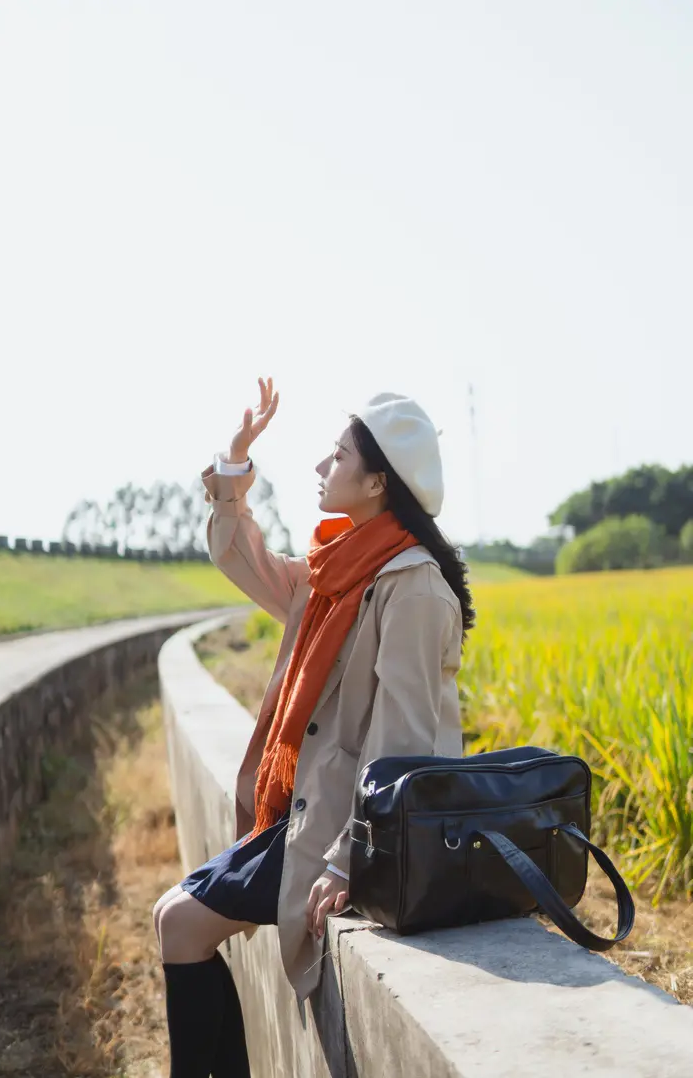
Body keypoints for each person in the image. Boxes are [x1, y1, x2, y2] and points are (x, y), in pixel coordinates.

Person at [153, 378, 475, 1077]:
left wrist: (342, 860)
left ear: (378, 482)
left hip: (341, 828)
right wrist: (233, 470)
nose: (321, 468)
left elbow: (406, 743)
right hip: (301, 811)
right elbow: (246, 561)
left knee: (179, 924)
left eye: (337, 456)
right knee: (174, 921)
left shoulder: (412, 586)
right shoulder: (336, 572)